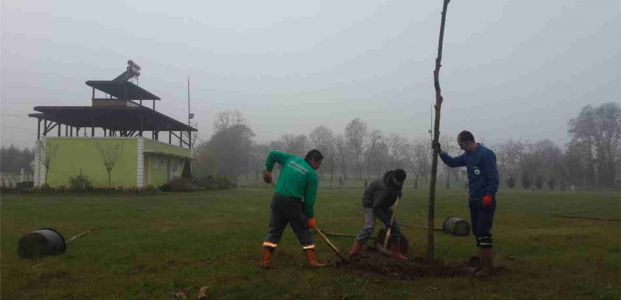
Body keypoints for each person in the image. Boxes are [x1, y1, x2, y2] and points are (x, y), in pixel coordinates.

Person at [434, 130, 499, 276]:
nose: (461, 148)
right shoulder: (467, 156)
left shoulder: (486, 154)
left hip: (485, 200)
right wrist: (440, 152)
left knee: (483, 232)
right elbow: (453, 162)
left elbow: (493, 178)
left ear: (468, 142)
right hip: (474, 200)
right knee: (477, 232)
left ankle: (488, 269)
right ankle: (482, 266)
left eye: (461, 145)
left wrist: (489, 195)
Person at [260, 149, 325, 268]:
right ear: (312, 160)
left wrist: (268, 170)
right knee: (303, 231)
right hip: (293, 204)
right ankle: (312, 262)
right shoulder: (311, 175)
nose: (318, 167)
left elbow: (273, 154)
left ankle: (265, 261)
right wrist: (309, 217)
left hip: (277, 200)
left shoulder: (291, 159)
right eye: (318, 164)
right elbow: (309, 201)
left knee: (274, 231)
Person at [348, 169, 408, 261]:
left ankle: (396, 253)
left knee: (396, 228)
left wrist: (398, 193)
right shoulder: (383, 187)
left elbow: (396, 188)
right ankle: (354, 251)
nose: (400, 184)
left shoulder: (398, 180)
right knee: (369, 227)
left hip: (383, 204)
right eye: (398, 182)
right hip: (371, 203)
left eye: (401, 182)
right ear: (393, 178)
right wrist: (386, 222)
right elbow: (376, 207)